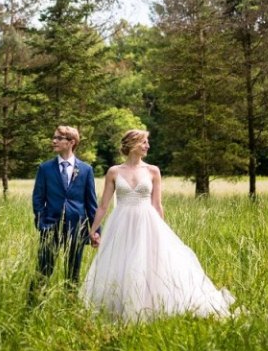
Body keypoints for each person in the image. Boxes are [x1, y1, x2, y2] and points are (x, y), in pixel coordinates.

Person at [81, 129, 234, 321]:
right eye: (144, 142)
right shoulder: (114, 172)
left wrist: (162, 233)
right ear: (132, 144)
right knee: (123, 263)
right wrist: (93, 230)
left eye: (147, 142)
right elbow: (103, 205)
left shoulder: (153, 171)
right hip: (121, 224)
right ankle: (121, 308)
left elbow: (157, 204)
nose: (147, 146)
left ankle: (151, 306)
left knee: (150, 264)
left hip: (147, 222)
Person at [31, 125, 100, 287]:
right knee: (43, 270)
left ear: (71, 142)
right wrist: (42, 223)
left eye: (58, 138)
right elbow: (38, 199)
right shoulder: (45, 168)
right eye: (53, 137)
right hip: (50, 225)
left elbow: (91, 203)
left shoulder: (85, 169)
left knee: (73, 273)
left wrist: (95, 231)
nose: (53, 141)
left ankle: (70, 305)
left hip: (77, 227)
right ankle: (33, 305)